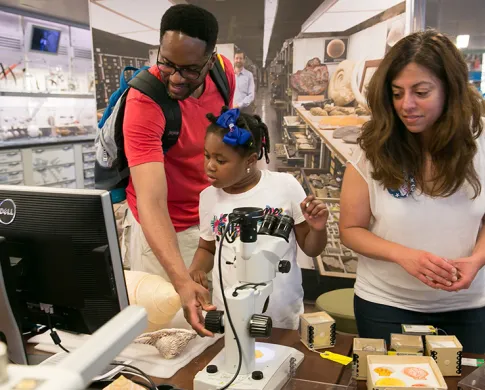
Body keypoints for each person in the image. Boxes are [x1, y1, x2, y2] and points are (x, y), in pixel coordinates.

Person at [339, 30, 485, 353]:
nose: (407, 105)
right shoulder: (375, 147)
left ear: (451, 90)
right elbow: (350, 229)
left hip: (470, 306)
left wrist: (477, 259)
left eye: (421, 92)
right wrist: (405, 256)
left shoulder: (481, 143)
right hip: (386, 304)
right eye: (396, 93)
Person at [121, 4, 236, 337]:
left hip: (208, 224)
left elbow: (221, 129)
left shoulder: (222, 72)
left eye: (188, 70)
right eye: (167, 63)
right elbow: (151, 204)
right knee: (168, 336)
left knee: (212, 328)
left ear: (210, 60)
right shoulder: (145, 102)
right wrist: (182, 281)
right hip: (160, 231)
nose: (175, 77)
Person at [188, 107, 329, 329]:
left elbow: (311, 249)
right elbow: (207, 248)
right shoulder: (208, 198)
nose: (210, 166)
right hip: (230, 314)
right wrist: (196, 269)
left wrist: (318, 229)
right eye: (207, 156)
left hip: (281, 315)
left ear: (250, 160)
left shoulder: (285, 187)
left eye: (221, 160)